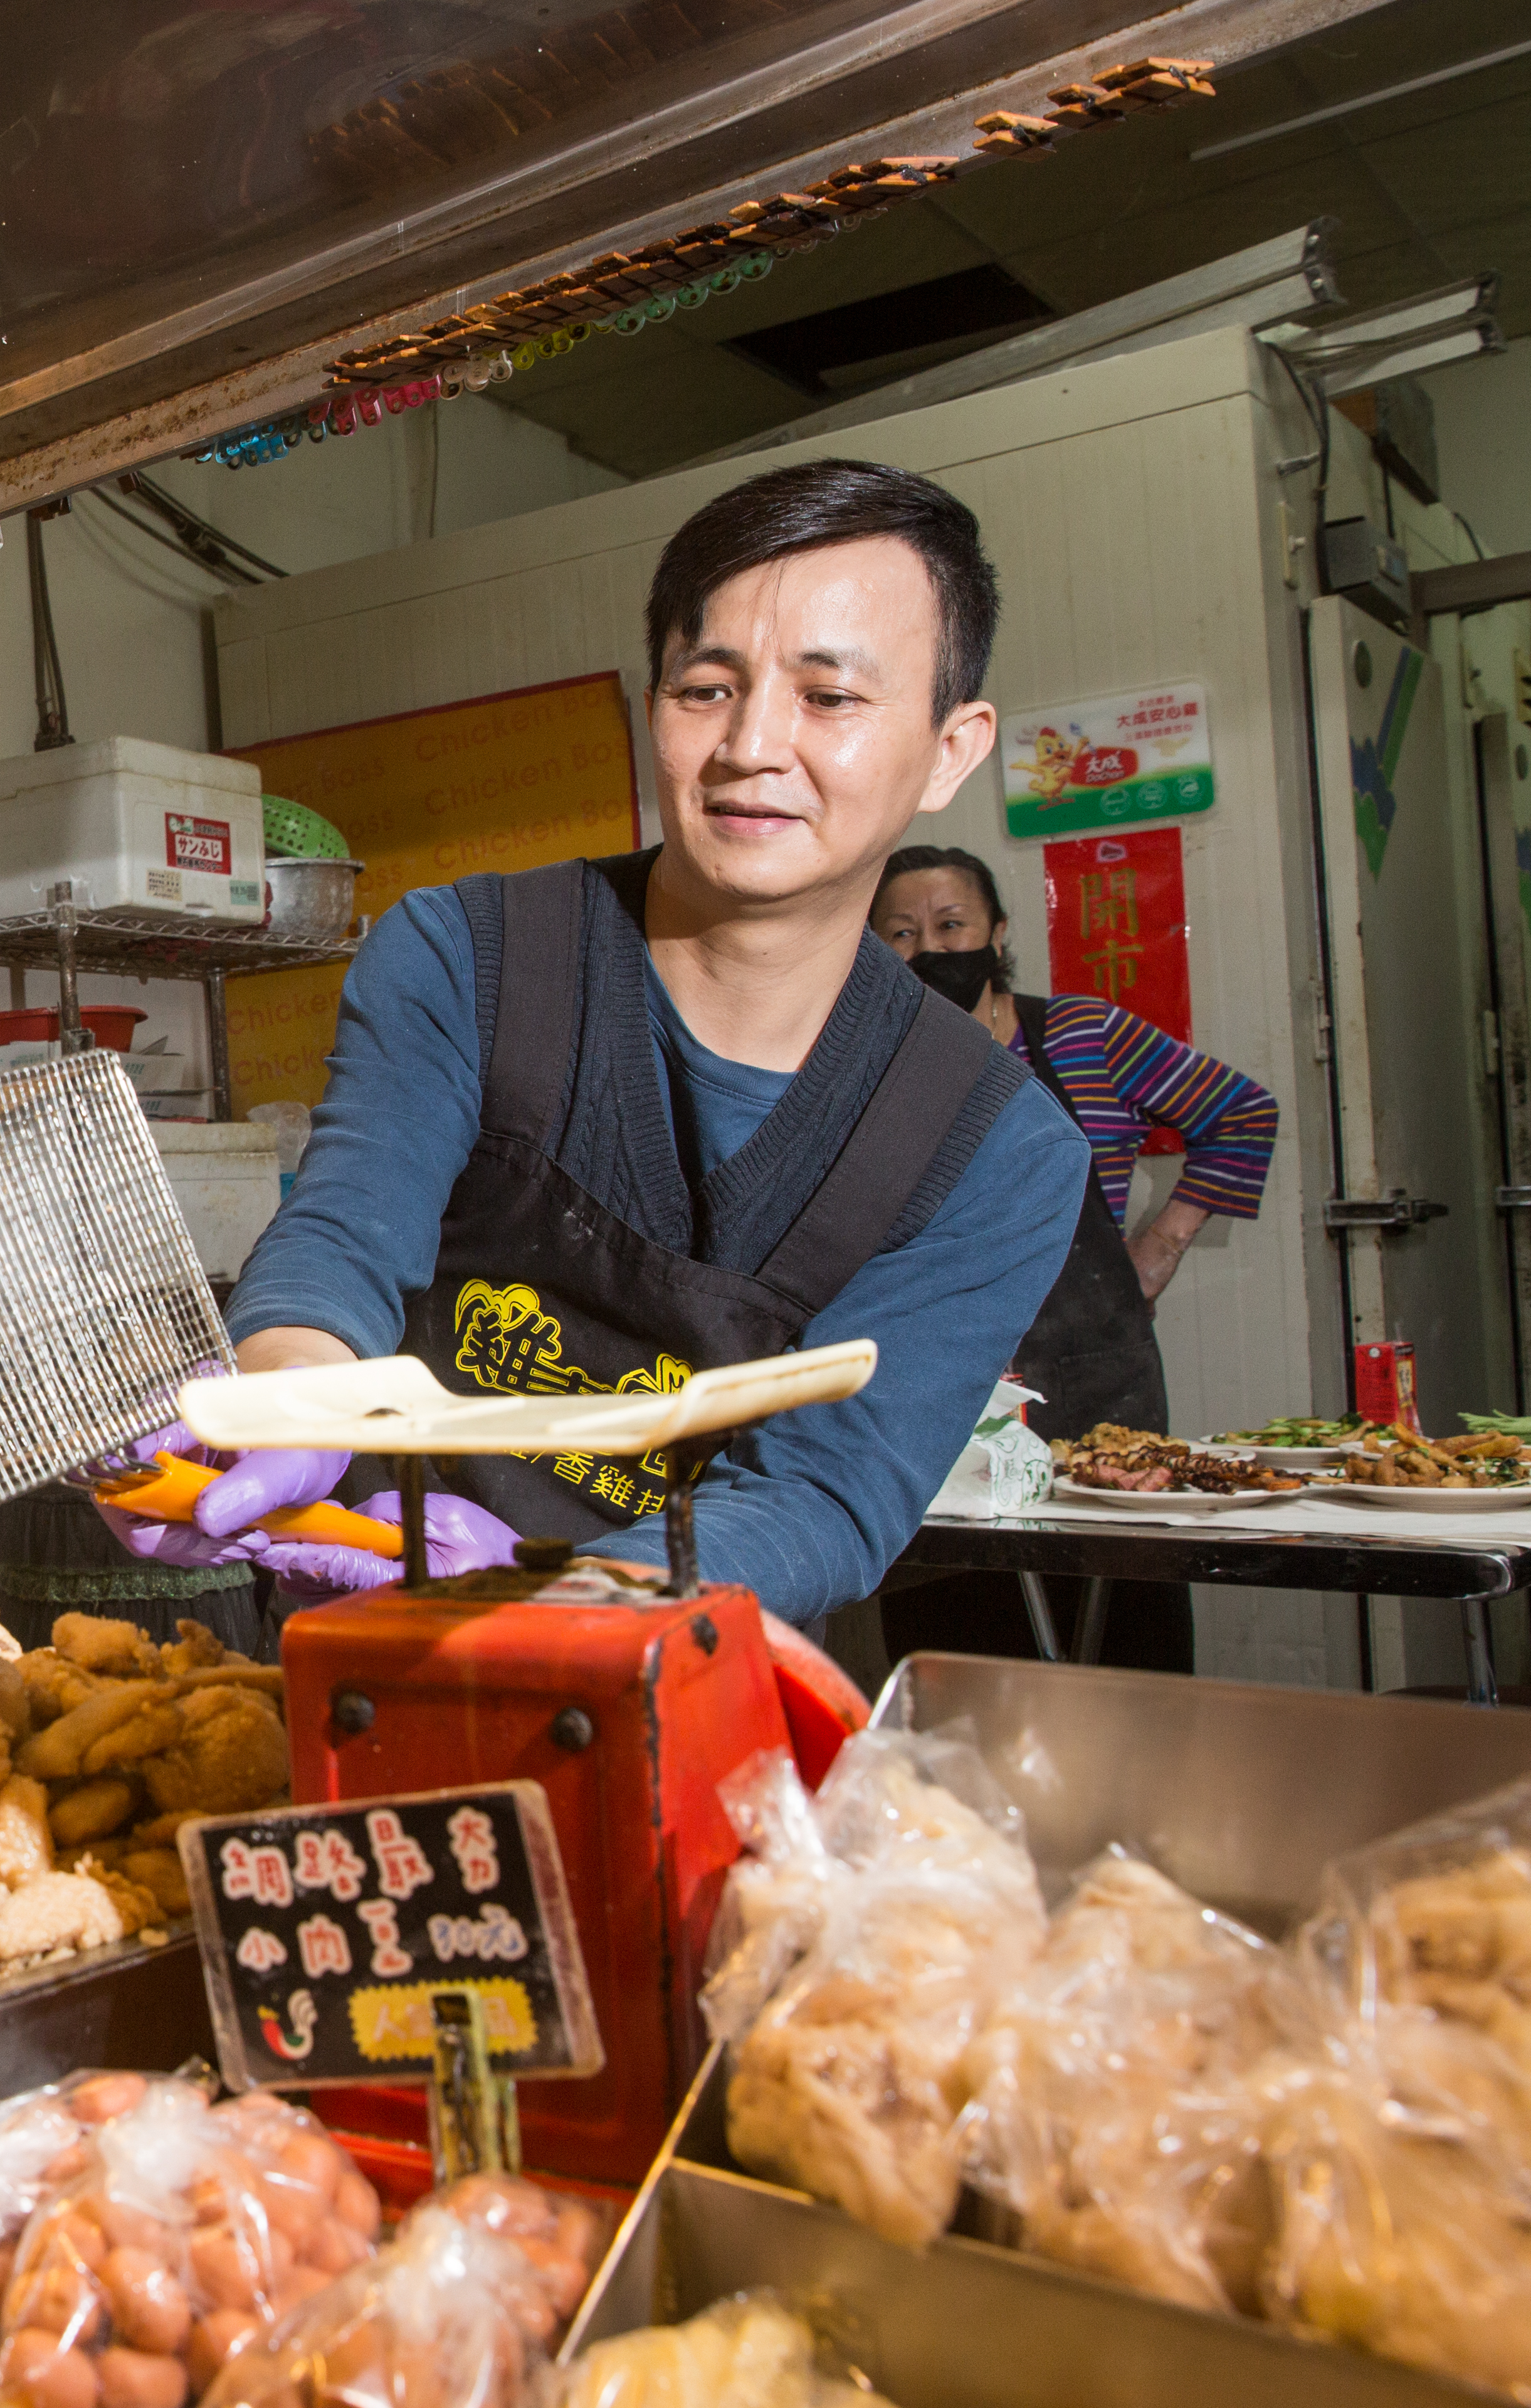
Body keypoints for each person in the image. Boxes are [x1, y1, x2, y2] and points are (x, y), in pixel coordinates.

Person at [104, 459, 1088, 1632]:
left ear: (949, 750)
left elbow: (826, 1492)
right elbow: (346, 1233)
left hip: (684, 1693)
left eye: (829, 698)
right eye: (708, 687)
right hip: (356, 1624)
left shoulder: (993, 1147)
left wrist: (567, 1593)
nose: (752, 746)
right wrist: (283, 1411)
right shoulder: (471, 956)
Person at [868, 842, 1278, 1670]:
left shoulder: (1083, 1036)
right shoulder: (865, 1067)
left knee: (1120, 1629)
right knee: (964, 1646)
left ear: (999, 932)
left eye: (953, 926)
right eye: (902, 933)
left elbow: (1241, 1113)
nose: (930, 950)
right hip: (944, 1396)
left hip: (1096, 1386)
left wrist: (1159, 1249)